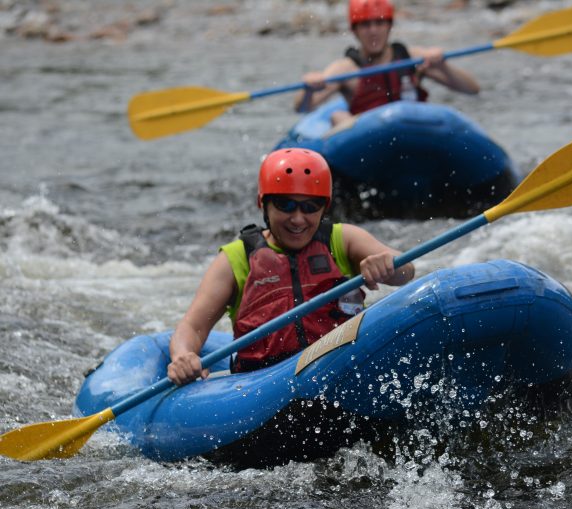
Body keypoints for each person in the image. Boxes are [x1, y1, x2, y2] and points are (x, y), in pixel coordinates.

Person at [167, 148, 415, 384]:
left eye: (310, 207)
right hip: (264, 382)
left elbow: (406, 271)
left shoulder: (343, 239)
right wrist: (183, 356)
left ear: (325, 207)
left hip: (340, 367)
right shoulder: (237, 258)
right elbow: (193, 327)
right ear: (263, 204)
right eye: (285, 205)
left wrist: (388, 265)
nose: (298, 218)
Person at [294, 0, 480, 125]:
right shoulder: (346, 68)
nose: (373, 31)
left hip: (415, 131)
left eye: (379, 23)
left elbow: (472, 89)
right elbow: (302, 108)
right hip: (370, 140)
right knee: (338, 117)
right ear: (355, 31)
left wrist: (443, 66)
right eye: (366, 25)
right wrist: (309, 89)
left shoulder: (412, 58)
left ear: (389, 26)